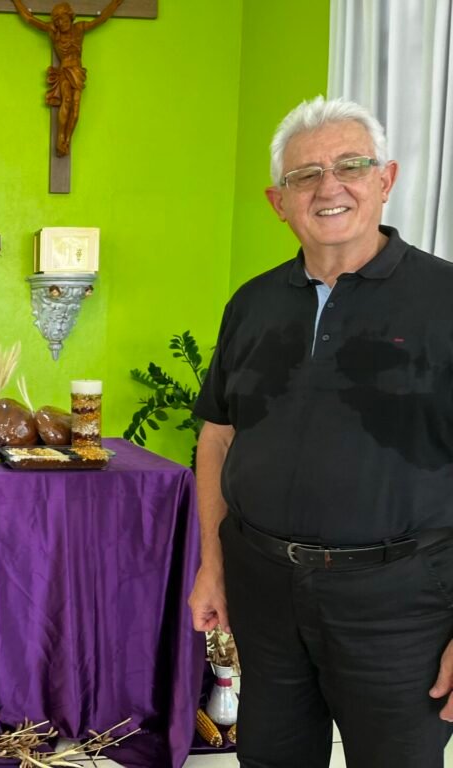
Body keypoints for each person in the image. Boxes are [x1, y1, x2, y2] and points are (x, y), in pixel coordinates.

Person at [189, 95, 453, 767]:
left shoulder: (445, 300)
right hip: (264, 593)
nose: (328, 187)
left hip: (402, 604)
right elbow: (218, 436)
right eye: (305, 175)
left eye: (351, 166)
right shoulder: (250, 304)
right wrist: (213, 567)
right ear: (278, 202)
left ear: (386, 179)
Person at [10, 0, 123, 156]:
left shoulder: (80, 28)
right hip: (64, 71)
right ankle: (60, 137)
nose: (61, 23)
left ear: (70, 17)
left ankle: (67, 139)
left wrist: (116, 3)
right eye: (57, 21)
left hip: (77, 72)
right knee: (67, 101)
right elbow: (29, 19)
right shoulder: (54, 32)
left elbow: (101, 19)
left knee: (75, 110)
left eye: (63, 19)